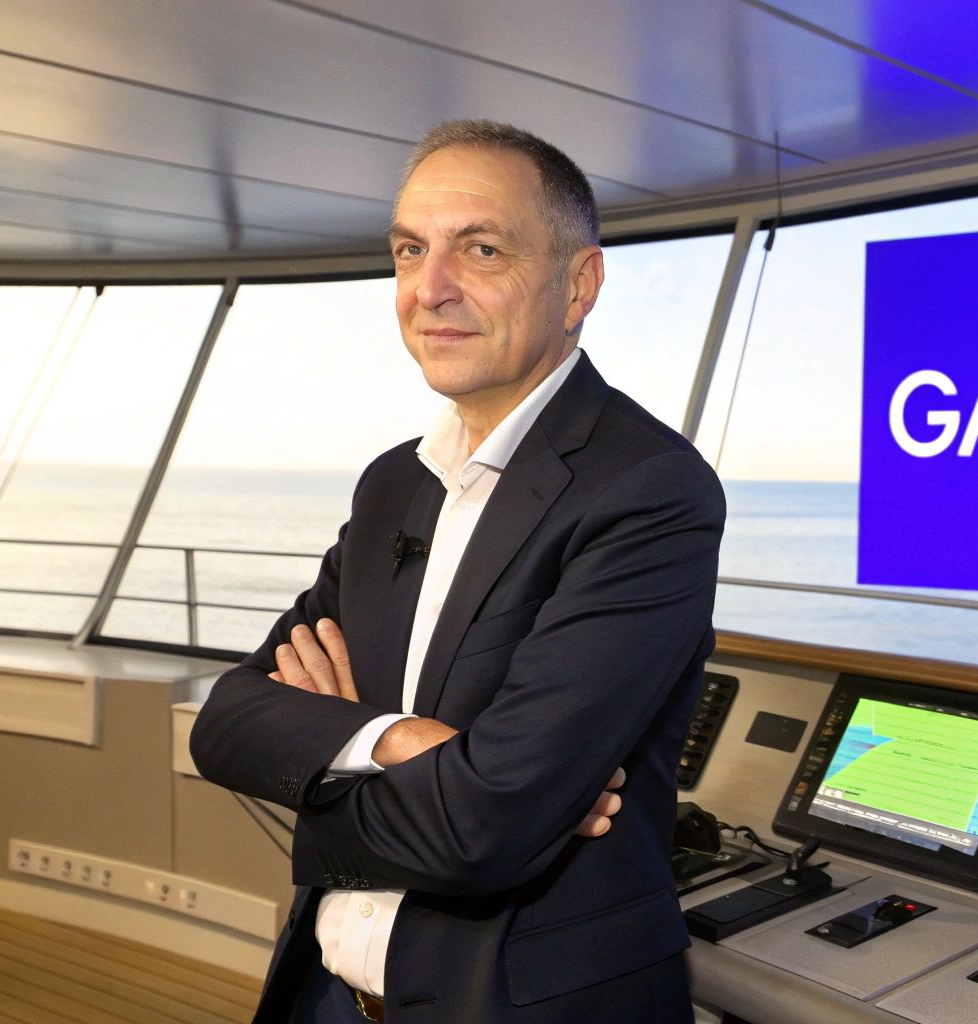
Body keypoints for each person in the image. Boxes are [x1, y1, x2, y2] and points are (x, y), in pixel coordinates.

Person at [190, 119, 724, 1023]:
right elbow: (227, 724)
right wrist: (396, 740)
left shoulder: (648, 488)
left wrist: (326, 757)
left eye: (481, 248)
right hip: (326, 994)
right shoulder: (395, 483)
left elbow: (485, 830)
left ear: (579, 284)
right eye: (409, 249)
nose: (430, 288)